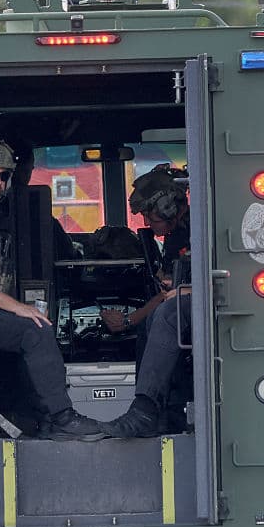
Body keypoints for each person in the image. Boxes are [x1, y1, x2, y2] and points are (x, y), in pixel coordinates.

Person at [0, 133, 105, 441]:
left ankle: (34, 417)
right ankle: (61, 416)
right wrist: (20, 308)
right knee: (36, 329)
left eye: (4, 176)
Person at [99, 164, 192, 438]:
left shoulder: (200, 227)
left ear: (168, 210)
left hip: (212, 305)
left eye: (151, 218)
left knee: (165, 314)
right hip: (182, 304)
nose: (148, 225)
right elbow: (167, 293)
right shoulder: (176, 236)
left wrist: (185, 291)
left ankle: (146, 411)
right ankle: (155, 413)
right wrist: (131, 321)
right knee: (155, 317)